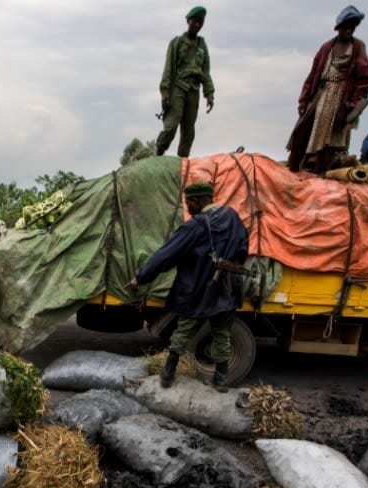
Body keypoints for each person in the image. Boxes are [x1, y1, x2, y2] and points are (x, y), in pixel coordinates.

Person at [127, 183, 247, 391]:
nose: (188, 207)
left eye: (189, 202)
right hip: (227, 289)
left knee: (183, 332)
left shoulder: (196, 225)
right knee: (222, 334)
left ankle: (168, 374)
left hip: (199, 290)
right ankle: (221, 380)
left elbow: (167, 254)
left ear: (199, 200)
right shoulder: (233, 218)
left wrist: (140, 277)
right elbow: (243, 248)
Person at [287, 6, 368, 174]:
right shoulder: (327, 47)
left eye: (352, 27)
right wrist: (304, 100)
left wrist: (355, 102)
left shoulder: (357, 47)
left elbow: (365, 78)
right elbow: (312, 75)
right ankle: (293, 168)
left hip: (340, 96)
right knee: (302, 130)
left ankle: (322, 170)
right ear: (338, 28)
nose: (348, 30)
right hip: (320, 93)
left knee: (331, 137)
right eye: (345, 27)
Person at [155, 6, 215, 158]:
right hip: (178, 88)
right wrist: (165, 92)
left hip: (194, 90)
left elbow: (206, 72)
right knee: (171, 126)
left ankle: (182, 163)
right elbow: (168, 68)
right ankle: (158, 152)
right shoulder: (177, 43)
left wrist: (209, 93)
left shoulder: (202, 46)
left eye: (200, 22)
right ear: (188, 21)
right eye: (194, 21)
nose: (197, 24)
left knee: (189, 131)